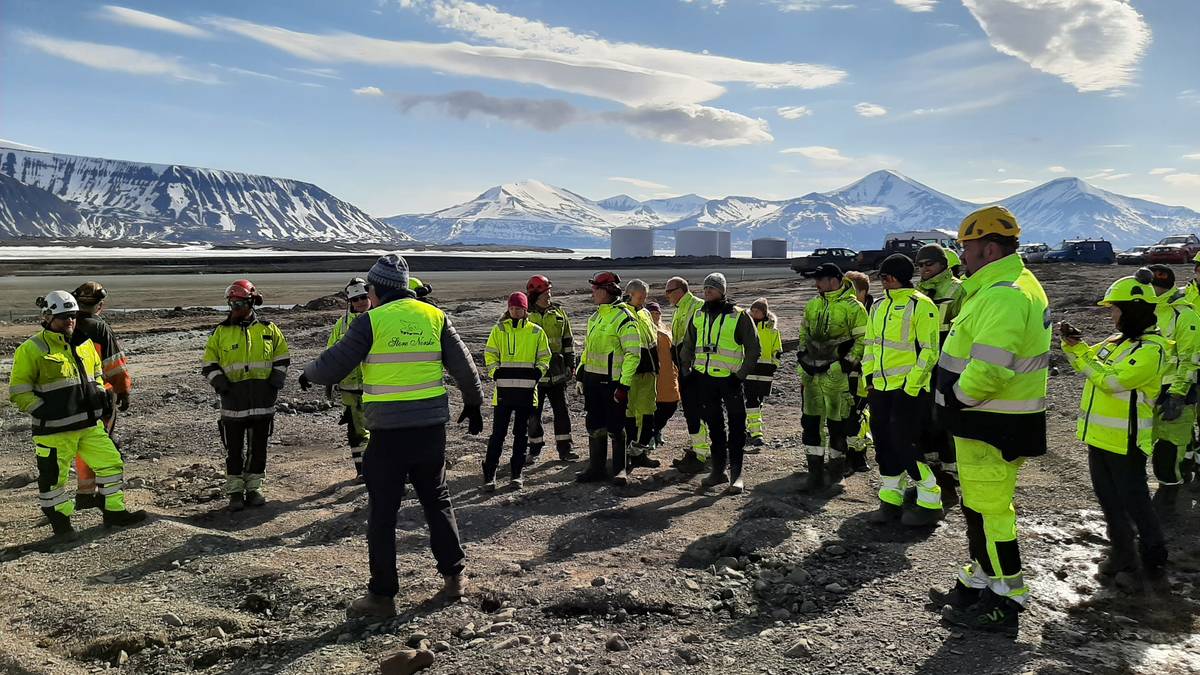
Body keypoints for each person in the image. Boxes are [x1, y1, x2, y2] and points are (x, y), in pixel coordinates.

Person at [300, 254, 483, 618]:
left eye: (370, 288)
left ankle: (382, 596)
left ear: (379, 289)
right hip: (430, 431)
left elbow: (336, 362)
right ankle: (454, 578)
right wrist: (474, 403)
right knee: (437, 500)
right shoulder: (434, 316)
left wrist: (310, 373)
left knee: (383, 513)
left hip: (387, 435)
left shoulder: (371, 321)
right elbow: (464, 365)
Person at [931, 206, 1051, 635]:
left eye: (967, 247)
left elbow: (991, 369)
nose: (961, 255)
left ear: (990, 247)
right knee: (978, 507)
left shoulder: (1005, 293)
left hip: (989, 422)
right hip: (986, 422)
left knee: (992, 512)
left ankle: (1005, 599)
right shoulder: (999, 288)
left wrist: (954, 398)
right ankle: (980, 579)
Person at [9, 291, 146, 539]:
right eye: (62, 317)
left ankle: (114, 513)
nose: (69, 321)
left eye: (72, 316)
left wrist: (103, 398)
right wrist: (44, 411)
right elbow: (19, 391)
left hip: (88, 425)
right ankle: (61, 526)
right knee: (54, 481)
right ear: (47, 317)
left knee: (112, 464)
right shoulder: (30, 349)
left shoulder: (84, 345)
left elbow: (95, 376)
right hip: (54, 431)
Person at [1060, 273, 1168, 587]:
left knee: (1134, 500)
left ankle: (1152, 556)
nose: (1112, 315)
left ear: (1133, 310)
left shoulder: (1151, 351)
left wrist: (1081, 353)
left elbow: (1109, 381)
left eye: (1115, 309)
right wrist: (1074, 346)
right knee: (1108, 499)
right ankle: (1122, 553)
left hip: (1126, 440)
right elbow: (1089, 364)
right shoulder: (1117, 343)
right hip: (1099, 437)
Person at [861, 255, 943, 527]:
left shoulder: (921, 305)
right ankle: (890, 501)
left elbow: (930, 351)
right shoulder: (879, 306)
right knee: (883, 445)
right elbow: (871, 344)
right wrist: (869, 378)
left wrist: (911, 386)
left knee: (905, 443)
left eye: (886, 275)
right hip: (881, 389)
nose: (883, 280)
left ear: (897, 277)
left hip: (909, 391)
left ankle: (930, 501)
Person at [201, 280, 289, 511]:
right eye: (231, 303)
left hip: (262, 401)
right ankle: (235, 492)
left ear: (251, 302)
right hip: (233, 402)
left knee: (259, 447)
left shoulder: (269, 329)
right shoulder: (221, 333)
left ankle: (254, 487)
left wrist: (275, 382)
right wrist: (221, 385)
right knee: (234, 450)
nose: (235, 308)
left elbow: (282, 357)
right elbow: (209, 363)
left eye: (239, 303)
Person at [679, 273, 761, 494]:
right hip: (704, 379)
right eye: (705, 289)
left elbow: (753, 349)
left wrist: (740, 375)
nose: (707, 292)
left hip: (730, 380)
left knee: (736, 427)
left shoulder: (739, 316)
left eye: (712, 288)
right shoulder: (698, 315)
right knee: (715, 426)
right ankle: (718, 471)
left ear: (723, 291)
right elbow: (688, 343)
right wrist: (686, 368)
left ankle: (737, 475)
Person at [797, 263, 868, 490]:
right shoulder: (813, 305)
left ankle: (837, 474)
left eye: (820, 279)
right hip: (812, 377)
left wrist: (846, 365)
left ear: (833, 280)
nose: (816, 284)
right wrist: (802, 360)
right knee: (811, 424)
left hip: (838, 378)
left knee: (838, 426)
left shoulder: (853, 308)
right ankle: (815, 474)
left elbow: (863, 340)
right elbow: (803, 334)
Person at [69, 281, 133, 510]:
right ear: (100, 305)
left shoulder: (66, 324)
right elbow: (114, 365)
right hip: (100, 395)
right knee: (104, 445)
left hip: (73, 394)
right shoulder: (99, 328)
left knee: (83, 444)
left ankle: (85, 493)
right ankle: (110, 500)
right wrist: (124, 390)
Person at [576, 271, 642, 486]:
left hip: (613, 383)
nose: (592, 292)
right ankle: (596, 467)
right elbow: (588, 349)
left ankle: (619, 468)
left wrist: (624, 384)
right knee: (594, 423)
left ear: (607, 291)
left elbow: (633, 354)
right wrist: (581, 375)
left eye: (596, 289)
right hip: (593, 381)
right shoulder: (595, 317)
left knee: (615, 425)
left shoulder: (624, 318)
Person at [1146, 265, 1200, 518]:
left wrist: (1177, 395)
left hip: (1175, 392)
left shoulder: (1184, 315)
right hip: (1150, 390)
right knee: (1157, 446)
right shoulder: (1146, 311)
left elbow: (1190, 359)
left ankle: (1170, 497)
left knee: (1167, 453)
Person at [483, 292, 551, 491]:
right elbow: (490, 353)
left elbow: (545, 357)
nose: (515, 311)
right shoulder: (499, 330)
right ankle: (489, 473)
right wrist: (494, 372)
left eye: (519, 308)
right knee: (498, 434)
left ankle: (516, 473)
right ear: (508, 308)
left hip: (527, 392)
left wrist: (539, 372)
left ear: (525, 309)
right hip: (503, 392)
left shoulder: (536, 332)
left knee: (520, 434)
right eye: (512, 308)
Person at [915, 245, 966, 503]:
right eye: (921, 266)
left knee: (945, 415)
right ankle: (931, 470)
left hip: (947, 361)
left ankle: (950, 473)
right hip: (922, 361)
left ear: (943, 265)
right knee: (924, 415)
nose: (924, 270)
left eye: (929, 265)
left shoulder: (958, 290)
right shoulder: (916, 293)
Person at [525, 274, 578, 463]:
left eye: (549, 291)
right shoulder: (526, 315)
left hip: (557, 374)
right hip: (534, 375)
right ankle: (534, 449)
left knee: (562, 412)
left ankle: (565, 449)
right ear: (536, 294)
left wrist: (571, 365)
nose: (549, 295)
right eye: (546, 292)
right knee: (533, 414)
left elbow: (568, 341)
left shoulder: (559, 313)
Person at [327, 278, 372, 480]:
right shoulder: (342, 324)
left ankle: (382, 468)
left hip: (376, 386)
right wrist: (329, 377)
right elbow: (332, 352)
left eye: (363, 297)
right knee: (356, 431)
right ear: (350, 302)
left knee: (381, 429)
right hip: (350, 387)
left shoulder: (379, 318)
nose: (360, 302)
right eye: (356, 299)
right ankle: (362, 470)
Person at [664, 276, 710, 474]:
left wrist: (687, 362)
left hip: (694, 368)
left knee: (696, 410)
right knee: (693, 411)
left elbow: (698, 338)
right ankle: (699, 449)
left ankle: (700, 455)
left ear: (680, 290)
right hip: (684, 367)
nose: (667, 296)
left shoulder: (697, 306)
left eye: (669, 291)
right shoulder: (680, 309)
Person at [624, 279, 661, 470]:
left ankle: (640, 452)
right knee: (630, 413)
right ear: (630, 294)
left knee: (647, 411)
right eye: (640, 297)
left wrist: (657, 367)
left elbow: (652, 341)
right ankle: (626, 456)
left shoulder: (645, 313)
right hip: (632, 373)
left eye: (645, 297)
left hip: (649, 371)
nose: (643, 300)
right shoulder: (622, 313)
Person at [745, 298, 782, 450]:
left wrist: (774, 365)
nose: (754, 313)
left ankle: (750, 427)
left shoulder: (772, 330)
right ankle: (756, 433)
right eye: (753, 310)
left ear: (764, 312)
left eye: (757, 311)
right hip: (749, 369)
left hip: (766, 369)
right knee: (751, 399)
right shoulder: (746, 327)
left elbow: (777, 350)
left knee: (759, 400)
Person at [647, 302, 681, 447]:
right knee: (649, 406)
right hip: (651, 373)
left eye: (658, 313)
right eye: (653, 313)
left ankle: (657, 429)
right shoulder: (643, 328)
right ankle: (650, 434)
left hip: (668, 373)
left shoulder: (666, 328)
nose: (656, 315)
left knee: (670, 403)